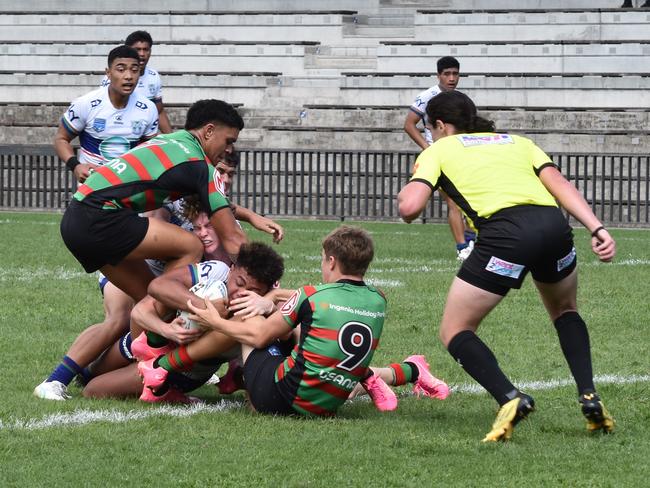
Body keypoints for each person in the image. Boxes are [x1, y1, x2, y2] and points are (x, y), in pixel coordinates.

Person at [397, 90, 616, 441]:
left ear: (439, 125)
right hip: (554, 227)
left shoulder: (438, 149)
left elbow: (409, 209)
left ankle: (510, 397)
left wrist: (408, 189)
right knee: (565, 311)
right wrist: (597, 228)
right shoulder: (518, 142)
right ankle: (590, 397)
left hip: (507, 235)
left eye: (430, 130)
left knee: (455, 330)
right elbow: (559, 184)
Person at [162, 225, 387, 417]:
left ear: (331, 261)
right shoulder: (378, 300)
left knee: (252, 318)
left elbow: (259, 337)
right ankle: (398, 372)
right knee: (296, 329)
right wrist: (274, 298)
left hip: (280, 399)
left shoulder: (310, 296)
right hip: (327, 403)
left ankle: (164, 365)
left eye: (321, 259)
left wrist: (214, 321)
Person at [60, 98, 247, 310]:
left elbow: (215, 205)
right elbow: (233, 238)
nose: (230, 149)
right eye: (229, 141)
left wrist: (251, 217)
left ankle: (140, 342)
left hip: (74, 218)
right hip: (101, 218)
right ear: (209, 131)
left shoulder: (171, 141)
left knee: (148, 305)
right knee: (190, 247)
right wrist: (262, 283)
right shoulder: (201, 167)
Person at [82, 242, 285, 402]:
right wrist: (197, 309)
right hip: (154, 338)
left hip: (183, 370)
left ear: (265, 293)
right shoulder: (217, 272)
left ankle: (161, 380)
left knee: (93, 390)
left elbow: (277, 338)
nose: (241, 293)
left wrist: (270, 304)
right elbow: (156, 290)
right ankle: (142, 353)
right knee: (87, 374)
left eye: (252, 291)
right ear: (232, 269)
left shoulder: (254, 313)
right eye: (239, 283)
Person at [54, 45, 159, 183]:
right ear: (108, 73)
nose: (128, 76)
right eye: (121, 70)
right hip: (93, 185)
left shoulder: (148, 109)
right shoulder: (86, 104)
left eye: (134, 70)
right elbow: (60, 139)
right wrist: (76, 166)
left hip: (128, 186)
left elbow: (150, 149)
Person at [404, 56, 474, 261]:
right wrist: (427, 148)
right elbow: (409, 124)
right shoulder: (428, 96)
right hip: (440, 156)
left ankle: (471, 240)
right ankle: (462, 247)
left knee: (468, 199)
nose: (452, 78)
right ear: (439, 76)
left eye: (455, 74)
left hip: (459, 154)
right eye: (447, 74)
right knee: (453, 201)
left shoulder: (461, 99)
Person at [102, 30, 172, 133]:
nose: (142, 54)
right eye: (137, 49)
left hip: (142, 132)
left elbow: (159, 111)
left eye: (145, 49)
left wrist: (172, 139)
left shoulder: (154, 76)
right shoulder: (112, 79)